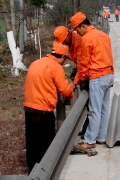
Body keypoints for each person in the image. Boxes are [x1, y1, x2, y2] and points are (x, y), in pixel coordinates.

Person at [23, 43, 75, 174]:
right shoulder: (55, 67)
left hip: (29, 108)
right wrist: (72, 86)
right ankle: (46, 172)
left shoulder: (35, 63)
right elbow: (65, 90)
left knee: (32, 144)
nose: (64, 63)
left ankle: (32, 172)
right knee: (46, 145)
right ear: (62, 57)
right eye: (65, 59)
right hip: (43, 111)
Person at [70, 12, 114, 149]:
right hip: (109, 75)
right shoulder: (104, 35)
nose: (78, 33)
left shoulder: (86, 39)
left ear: (83, 26)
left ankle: (89, 141)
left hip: (97, 77)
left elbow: (83, 65)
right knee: (104, 109)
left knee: (94, 110)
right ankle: (101, 137)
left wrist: (77, 81)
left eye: (78, 30)